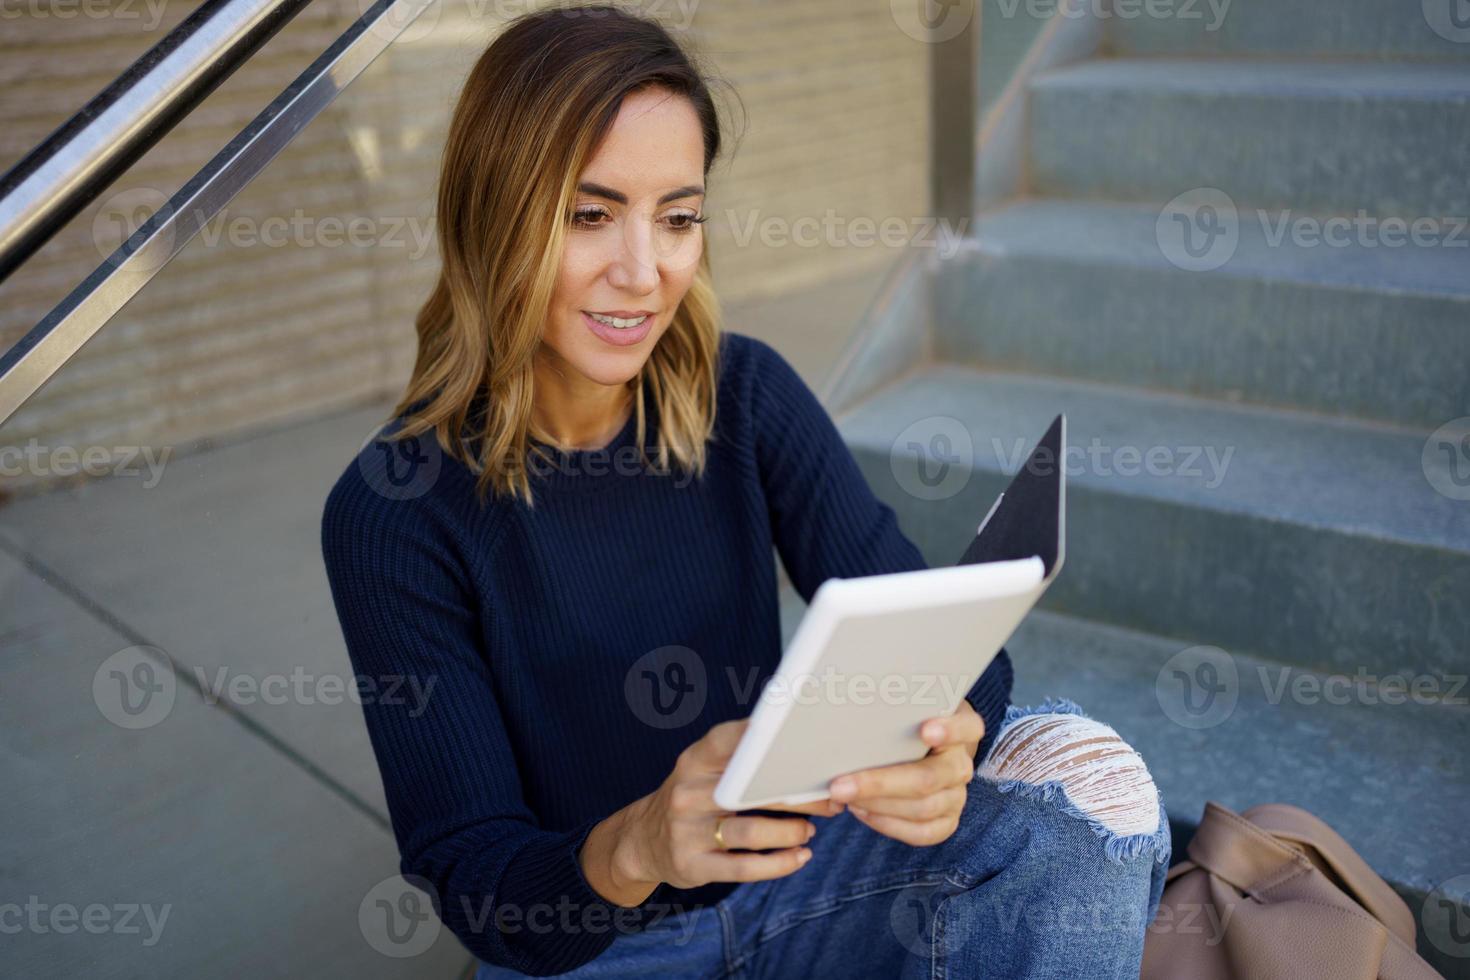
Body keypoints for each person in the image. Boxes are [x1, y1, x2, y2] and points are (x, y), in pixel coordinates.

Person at [319, 5, 1170, 977]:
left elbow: (934, 633)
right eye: (590, 214)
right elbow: (478, 878)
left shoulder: (744, 393)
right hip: (594, 943)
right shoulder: (393, 513)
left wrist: (948, 748)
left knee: (1089, 778)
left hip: (801, 873)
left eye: (677, 217)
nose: (644, 273)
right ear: (494, 215)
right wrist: (636, 842)